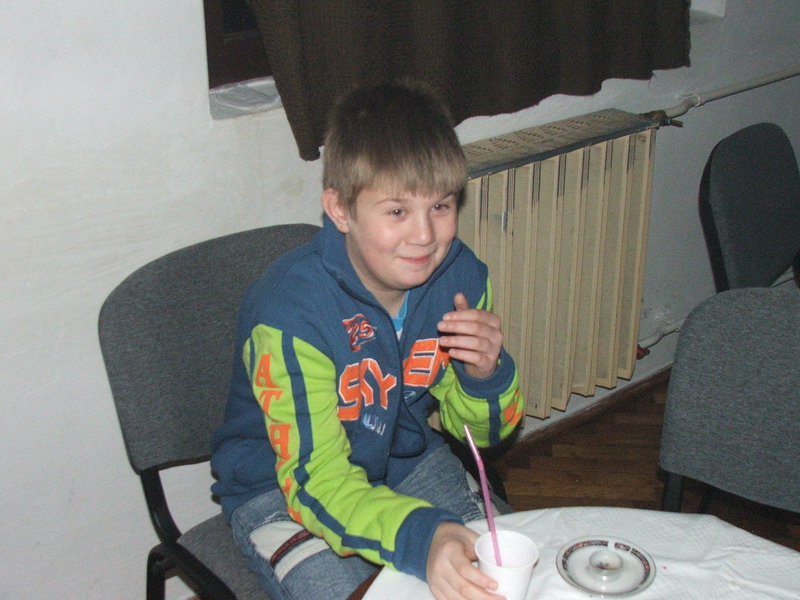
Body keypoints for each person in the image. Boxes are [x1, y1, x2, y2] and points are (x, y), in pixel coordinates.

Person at [210, 80, 525, 600]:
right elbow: (319, 481)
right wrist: (423, 537)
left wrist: (484, 377)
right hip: (283, 488)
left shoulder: (461, 280)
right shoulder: (289, 315)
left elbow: (484, 436)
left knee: (496, 574)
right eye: (397, 211)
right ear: (340, 210)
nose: (425, 236)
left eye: (441, 206)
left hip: (403, 458)